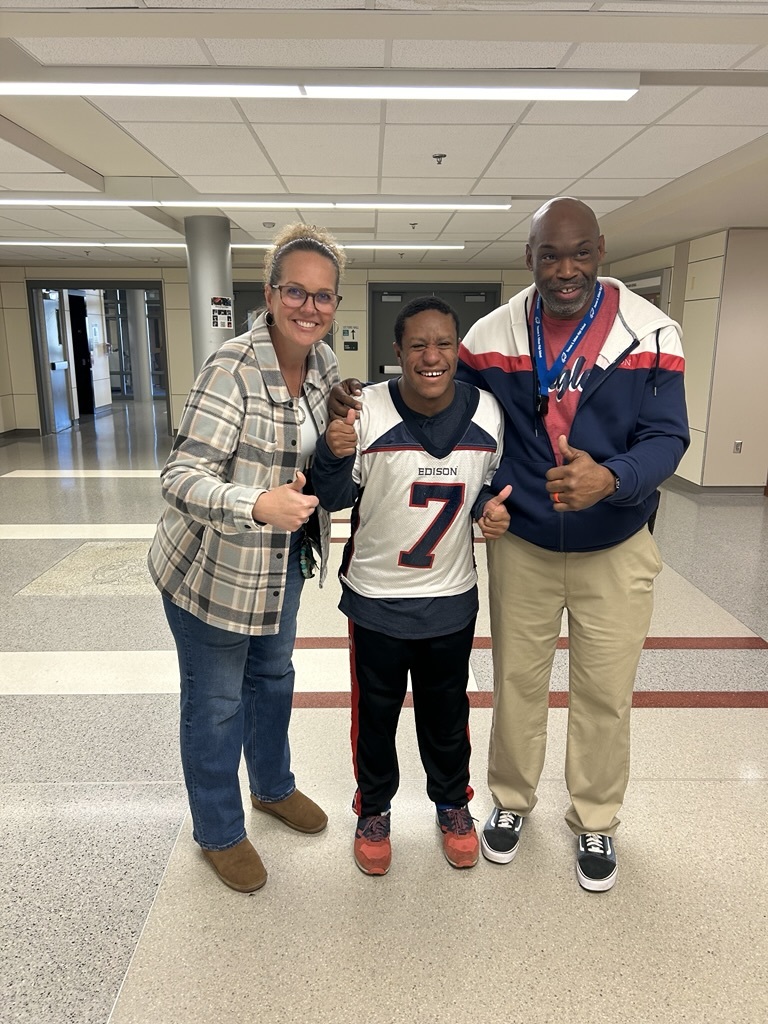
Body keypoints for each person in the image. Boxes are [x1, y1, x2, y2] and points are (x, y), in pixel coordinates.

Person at [331, 198, 689, 891]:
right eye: (549, 255)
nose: (565, 269)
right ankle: (512, 803)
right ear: (529, 258)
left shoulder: (652, 333)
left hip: (616, 542)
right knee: (517, 685)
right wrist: (356, 404)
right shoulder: (494, 335)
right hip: (522, 542)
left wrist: (613, 479)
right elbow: (435, 398)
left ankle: (594, 819)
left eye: (579, 252)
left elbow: (669, 436)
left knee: (604, 692)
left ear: (601, 250)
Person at [148, 223, 346, 893]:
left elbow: (313, 452)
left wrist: (339, 443)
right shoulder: (231, 366)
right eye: (296, 291)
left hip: (279, 564)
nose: (309, 307)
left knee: (274, 678)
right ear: (270, 292)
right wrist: (255, 504)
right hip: (211, 574)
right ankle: (219, 830)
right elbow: (179, 477)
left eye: (323, 296)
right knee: (216, 705)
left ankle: (272, 786)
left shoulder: (322, 364)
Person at [313, 296, 510, 876]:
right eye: (417, 345)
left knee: (447, 713)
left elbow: (490, 493)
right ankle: (373, 809)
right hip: (376, 602)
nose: (432, 356)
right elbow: (331, 498)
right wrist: (330, 450)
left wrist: (494, 517)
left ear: (458, 351)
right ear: (397, 353)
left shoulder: (489, 414)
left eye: (443, 344)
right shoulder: (364, 410)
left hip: (450, 601)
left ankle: (453, 805)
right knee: (373, 716)